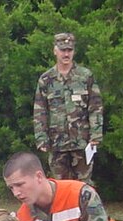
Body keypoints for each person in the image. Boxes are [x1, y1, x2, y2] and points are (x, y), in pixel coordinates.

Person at [34, 32, 103, 182]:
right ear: (55, 50)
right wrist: (41, 138)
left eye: (69, 50)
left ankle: (84, 207)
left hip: (82, 142)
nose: (66, 54)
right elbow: (40, 111)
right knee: (60, 187)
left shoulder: (85, 76)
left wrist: (95, 134)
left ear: (74, 51)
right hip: (57, 143)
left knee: (84, 186)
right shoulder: (46, 80)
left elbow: (95, 106)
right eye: (63, 50)